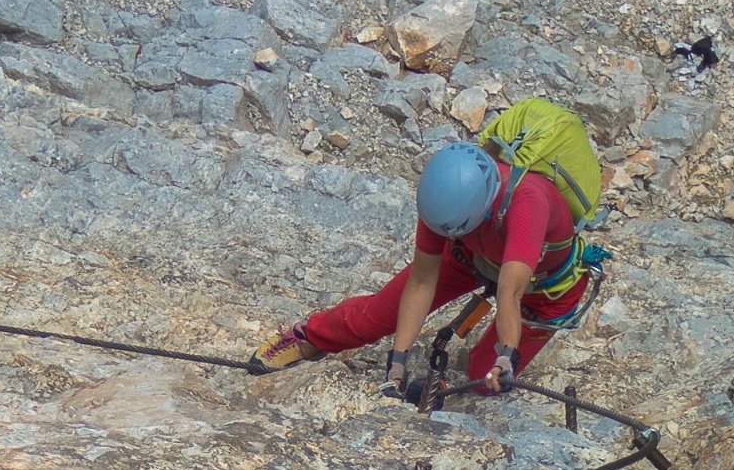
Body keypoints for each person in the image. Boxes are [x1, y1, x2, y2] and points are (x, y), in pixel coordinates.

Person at [249, 122, 596, 394]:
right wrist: (397, 362)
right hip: (470, 255)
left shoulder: (527, 203)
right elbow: (422, 281)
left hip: (547, 288)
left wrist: (507, 356)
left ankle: (486, 365)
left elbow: (511, 293)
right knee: (374, 318)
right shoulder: (442, 200)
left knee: (484, 377)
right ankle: (311, 336)